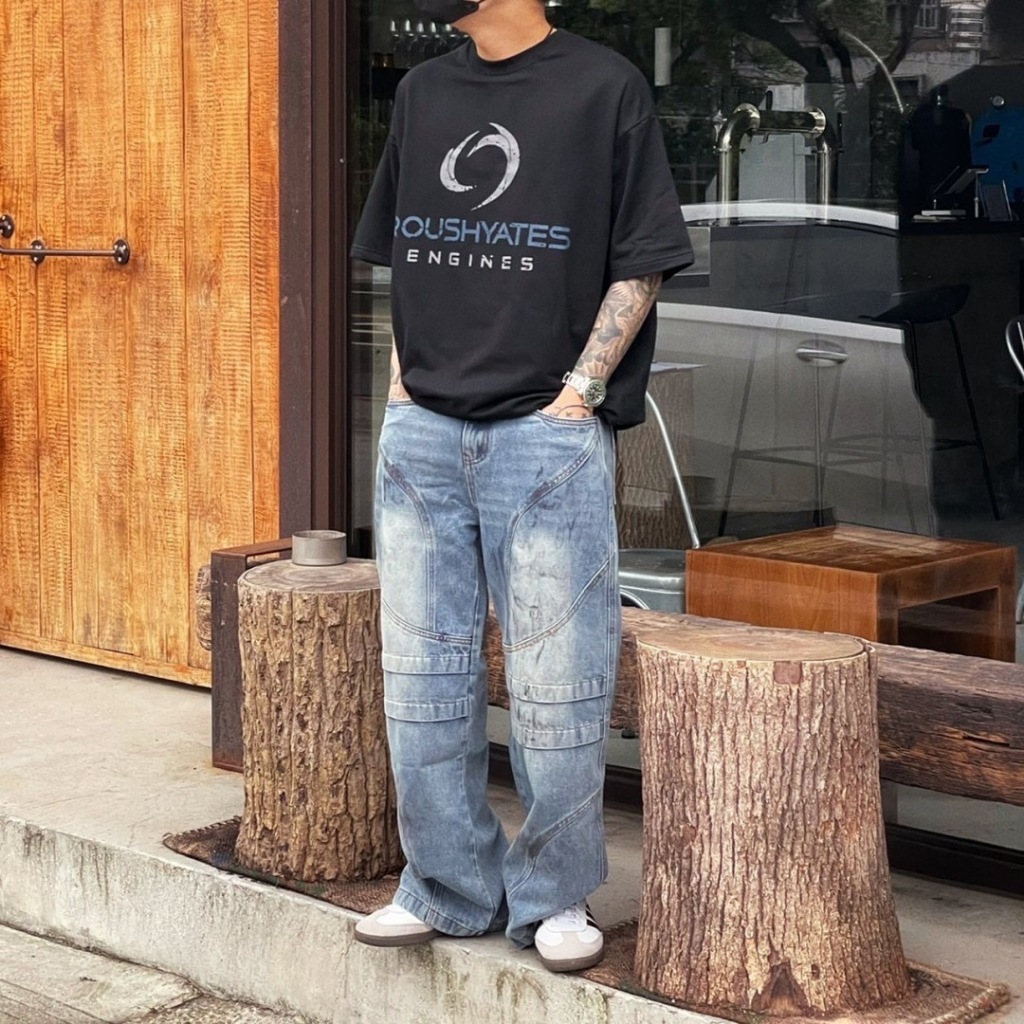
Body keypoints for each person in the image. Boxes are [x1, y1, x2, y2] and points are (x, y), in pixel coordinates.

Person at [349, 0, 693, 973]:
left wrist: (580, 394)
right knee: (421, 680)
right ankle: (443, 884)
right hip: (424, 431)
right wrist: (402, 387)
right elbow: (401, 248)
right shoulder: (424, 93)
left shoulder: (602, 88)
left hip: (544, 434)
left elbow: (643, 261)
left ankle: (554, 896)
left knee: (559, 685)